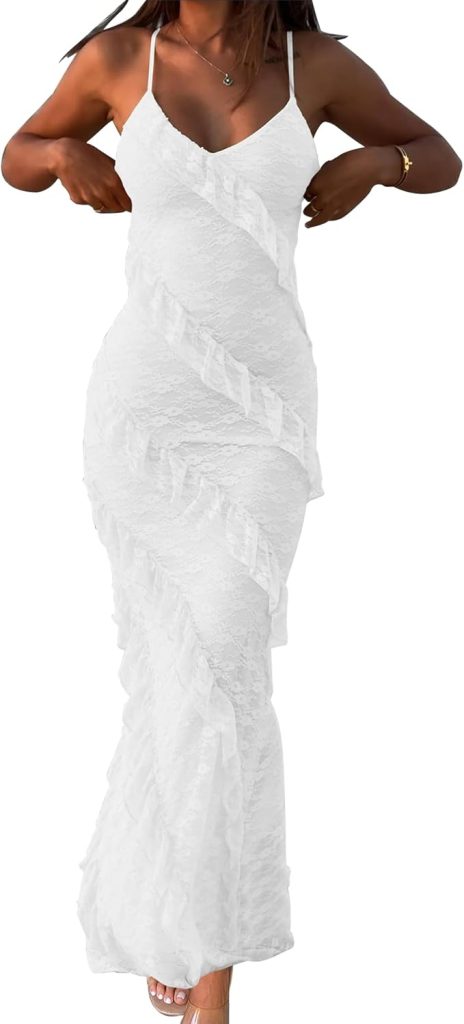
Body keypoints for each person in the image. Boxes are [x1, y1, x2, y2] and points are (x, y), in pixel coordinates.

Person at [2, 1, 460, 1021]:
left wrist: (374, 165)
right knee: (173, 671)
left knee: (224, 663)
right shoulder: (119, 58)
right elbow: (17, 155)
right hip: (145, 412)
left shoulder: (315, 65)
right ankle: (187, 932)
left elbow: (440, 157)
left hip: (259, 417)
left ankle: (202, 954)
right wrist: (61, 154)